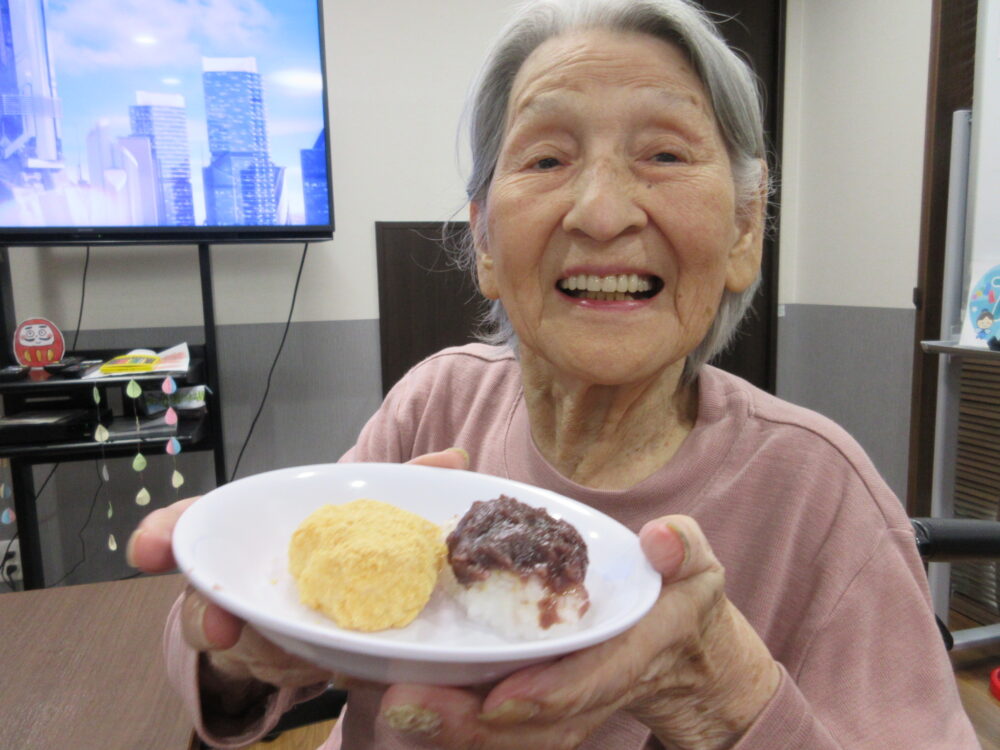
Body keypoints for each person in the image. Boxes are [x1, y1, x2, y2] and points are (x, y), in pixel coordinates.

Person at [128, 0, 981, 747]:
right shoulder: (437, 405)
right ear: (487, 244)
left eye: (665, 156)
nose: (602, 212)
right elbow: (233, 648)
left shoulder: (819, 496)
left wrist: (724, 699)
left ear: (745, 231)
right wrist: (237, 649)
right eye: (545, 159)